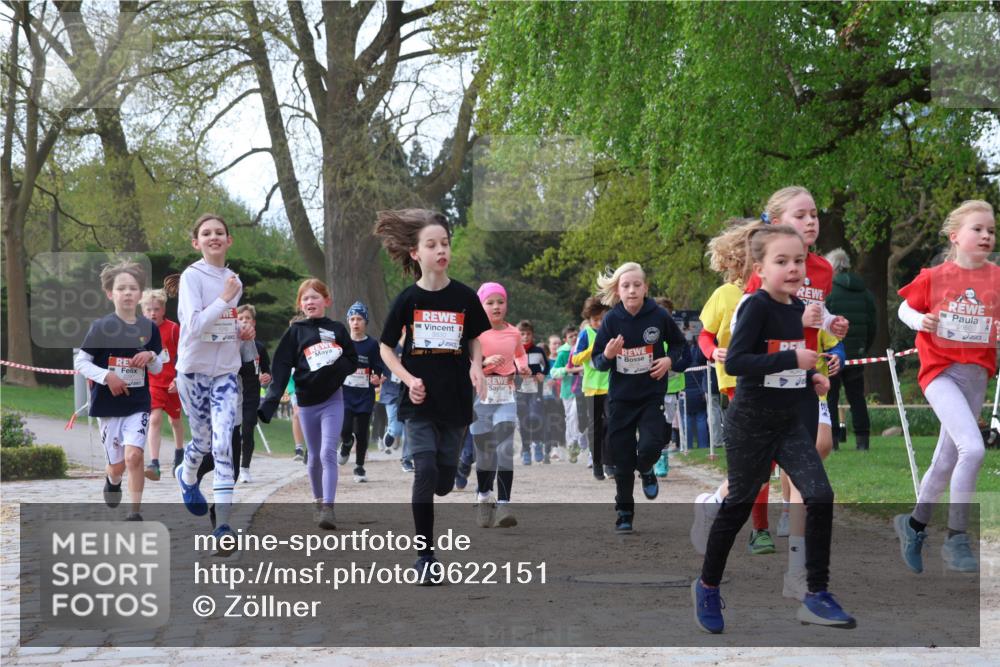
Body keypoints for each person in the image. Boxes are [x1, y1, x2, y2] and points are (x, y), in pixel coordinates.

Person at [692, 224, 855, 634]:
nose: (794, 268)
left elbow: (788, 361)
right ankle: (707, 586)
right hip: (750, 424)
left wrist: (810, 378)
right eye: (781, 261)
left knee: (820, 495)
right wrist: (794, 362)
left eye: (799, 260)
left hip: (788, 422)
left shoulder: (796, 308)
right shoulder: (755, 306)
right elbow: (738, 364)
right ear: (759, 268)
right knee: (738, 508)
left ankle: (816, 593)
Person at [375, 208, 490, 585]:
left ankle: (454, 470)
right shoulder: (407, 300)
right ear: (415, 253)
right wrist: (408, 379)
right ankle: (425, 556)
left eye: (445, 244)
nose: (441, 250)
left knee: (442, 483)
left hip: (456, 400)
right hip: (420, 401)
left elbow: (474, 337)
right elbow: (386, 348)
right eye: (432, 245)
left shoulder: (465, 297)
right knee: (423, 472)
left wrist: (476, 365)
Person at [894, 200, 998, 574]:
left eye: (991, 230)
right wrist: (921, 320)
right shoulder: (936, 276)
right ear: (955, 236)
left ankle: (914, 525)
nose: (986, 235)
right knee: (972, 449)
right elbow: (904, 308)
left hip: (976, 377)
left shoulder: (997, 278)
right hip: (941, 373)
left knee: (946, 461)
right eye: (978, 229)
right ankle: (957, 538)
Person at [174, 214, 256, 549]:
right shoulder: (191, 277)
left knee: (224, 442)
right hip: (193, 371)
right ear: (196, 242)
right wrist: (224, 298)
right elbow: (194, 327)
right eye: (206, 233)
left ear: (229, 239)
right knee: (203, 443)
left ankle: (222, 526)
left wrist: (241, 332)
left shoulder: (233, 279)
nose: (213, 237)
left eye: (219, 232)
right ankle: (187, 474)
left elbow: (223, 326)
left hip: (225, 373)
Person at [591, 262, 689, 532]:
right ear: (618, 291)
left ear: (645, 288)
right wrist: (608, 356)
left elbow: (682, 346)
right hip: (621, 399)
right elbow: (597, 361)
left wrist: (669, 359)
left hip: (650, 396)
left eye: (637, 285)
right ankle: (624, 512)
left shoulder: (658, 315)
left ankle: (646, 468)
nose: (632, 290)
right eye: (626, 286)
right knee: (622, 459)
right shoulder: (611, 320)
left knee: (648, 448)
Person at [258, 279, 358, 529]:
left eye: (315, 297)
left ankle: (328, 509)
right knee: (313, 457)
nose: (310, 302)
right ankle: (318, 501)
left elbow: (351, 359)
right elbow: (281, 366)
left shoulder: (337, 329)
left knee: (327, 453)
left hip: (333, 400)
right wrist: (270, 400)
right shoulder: (296, 331)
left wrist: (336, 368)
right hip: (306, 402)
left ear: (326, 300)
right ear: (300, 304)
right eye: (305, 298)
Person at [74, 261, 164, 521]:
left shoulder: (149, 328)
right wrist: (107, 376)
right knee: (118, 465)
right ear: (110, 293)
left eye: (133, 288)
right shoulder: (101, 327)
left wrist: (149, 356)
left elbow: (158, 367)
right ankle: (112, 481)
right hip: (109, 405)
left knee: (135, 455)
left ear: (139, 294)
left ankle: (134, 513)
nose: (127, 293)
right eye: (121, 288)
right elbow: (82, 362)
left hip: (138, 403)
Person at [472, 282, 529, 528]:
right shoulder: (474, 334)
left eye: (501, 301)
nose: (496, 306)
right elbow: (466, 364)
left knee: (505, 448)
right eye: (490, 302)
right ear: (481, 305)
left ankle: (504, 504)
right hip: (479, 399)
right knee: (485, 454)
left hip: (506, 395)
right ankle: (484, 497)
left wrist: (522, 366)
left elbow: (519, 354)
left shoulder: (514, 333)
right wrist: (485, 361)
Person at [824, 247, 877, 450]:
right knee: (857, 397)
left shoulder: (829, 291)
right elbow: (873, 324)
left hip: (831, 352)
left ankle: (833, 440)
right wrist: (864, 346)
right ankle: (863, 441)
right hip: (857, 352)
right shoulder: (865, 293)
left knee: (831, 396)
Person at [139, 288, 184, 481]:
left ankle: (179, 454)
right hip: (153, 383)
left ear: (164, 309)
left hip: (173, 382)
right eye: (148, 309)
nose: (152, 313)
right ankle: (154, 463)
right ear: (142, 311)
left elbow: (184, 355)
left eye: (156, 309)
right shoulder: (140, 331)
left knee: (175, 420)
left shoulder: (173, 329)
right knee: (154, 419)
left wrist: (179, 378)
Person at [338, 301, 385, 483]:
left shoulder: (372, 344)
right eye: (352, 319)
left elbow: (378, 366)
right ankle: (346, 443)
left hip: (365, 394)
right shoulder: (343, 343)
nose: (356, 322)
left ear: (365, 322)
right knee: (346, 427)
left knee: (363, 431)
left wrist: (377, 376)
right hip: (346, 393)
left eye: (359, 319)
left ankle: (359, 467)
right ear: (348, 321)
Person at [573, 298, 612, 480]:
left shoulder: (612, 331)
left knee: (612, 425)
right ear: (588, 319)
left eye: (602, 318)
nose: (599, 323)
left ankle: (610, 462)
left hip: (612, 385)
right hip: (591, 387)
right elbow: (575, 360)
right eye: (595, 319)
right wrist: (591, 349)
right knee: (595, 427)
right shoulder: (585, 334)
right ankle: (597, 462)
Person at [236, 305, 272, 483]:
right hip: (233, 394)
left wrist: (266, 377)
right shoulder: (231, 346)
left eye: (247, 318)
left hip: (251, 395)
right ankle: (231, 465)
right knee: (232, 432)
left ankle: (245, 468)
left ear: (254, 322)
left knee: (248, 429)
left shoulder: (260, 348)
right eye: (240, 318)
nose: (244, 321)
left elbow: (266, 371)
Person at [516, 320, 549, 465]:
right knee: (523, 420)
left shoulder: (539, 351)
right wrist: (516, 375)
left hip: (536, 390)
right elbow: (509, 368)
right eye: (522, 334)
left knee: (535, 416)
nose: (525, 337)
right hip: (520, 391)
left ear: (532, 335)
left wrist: (542, 374)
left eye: (528, 334)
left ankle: (537, 444)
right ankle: (526, 449)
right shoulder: (514, 351)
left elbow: (547, 367)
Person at [550, 325, 585, 463]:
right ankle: (572, 445)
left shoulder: (583, 348)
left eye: (576, 335)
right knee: (571, 417)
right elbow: (554, 372)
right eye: (570, 336)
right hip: (568, 391)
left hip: (585, 389)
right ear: (565, 339)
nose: (574, 338)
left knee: (582, 416)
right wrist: (567, 369)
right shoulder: (563, 353)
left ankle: (581, 441)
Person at [543, 333, 566, 461]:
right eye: (554, 343)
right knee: (549, 422)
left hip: (563, 395)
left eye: (559, 343)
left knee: (560, 422)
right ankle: (550, 448)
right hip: (548, 397)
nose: (557, 346)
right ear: (549, 345)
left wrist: (557, 380)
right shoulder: (545, 361)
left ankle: (558, 447)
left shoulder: (563, 359)